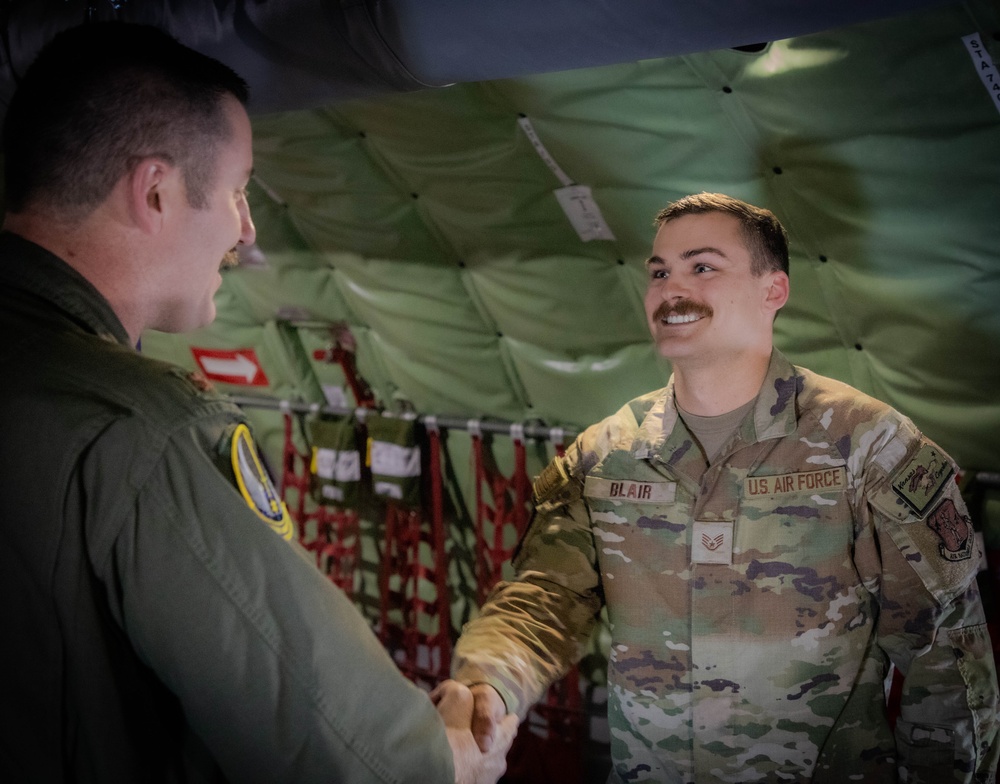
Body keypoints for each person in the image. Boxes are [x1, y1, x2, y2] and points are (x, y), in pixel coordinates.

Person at [0, 22, 515, 784]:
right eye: (239, 191)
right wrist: (453, 755)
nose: (245, 230)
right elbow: (354, 753)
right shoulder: (148, 429)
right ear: (156, 191)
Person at [451, 193, 999, 783]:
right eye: (659, 271)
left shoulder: (866, 447)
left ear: (774, 292)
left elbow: (943, 655)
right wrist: (487, 687)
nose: (671, 288)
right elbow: (545, 602)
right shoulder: (606, 455)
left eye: (702, 267)